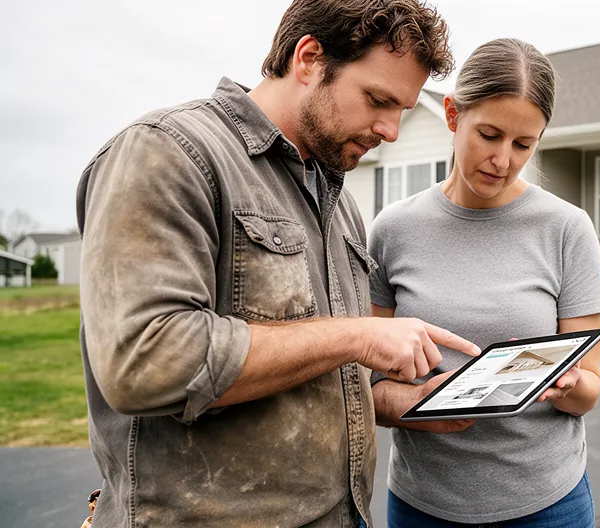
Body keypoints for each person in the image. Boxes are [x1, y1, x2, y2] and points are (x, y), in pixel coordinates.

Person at [75, 1, 478, 526]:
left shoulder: (340, 203)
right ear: (308, 58)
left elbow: (323, 378)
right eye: (378, 100)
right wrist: (356, 336)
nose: (391, 130)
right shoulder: (168, 153)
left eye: (401, 109)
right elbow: (145, 363)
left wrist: (418, 404)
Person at [369, 38, 600, 527]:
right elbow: (369, 385)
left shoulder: (566, 229)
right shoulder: (393, 229)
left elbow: (591, 389)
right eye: (490, 134)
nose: (503, 159)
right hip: (424, 504)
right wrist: (415, 405)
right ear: (453, 115)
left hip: (547, 505)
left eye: (523, 145)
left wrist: (565, 384)